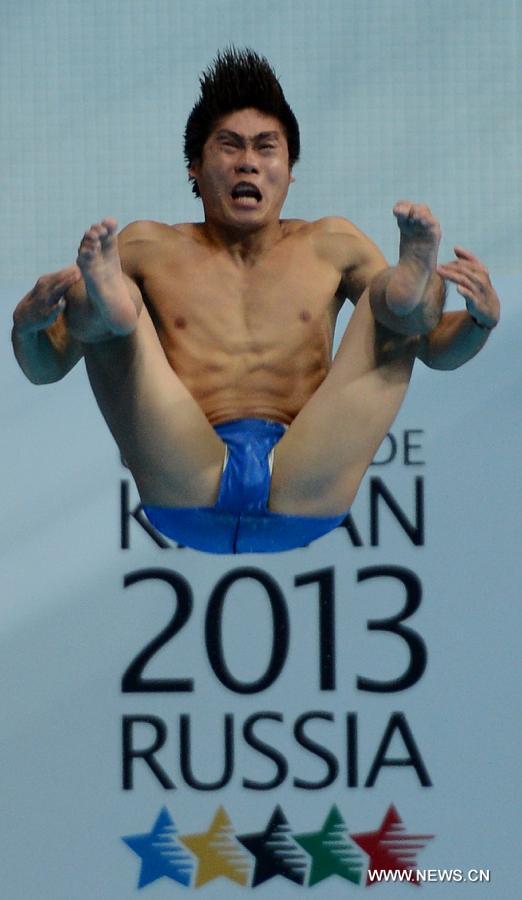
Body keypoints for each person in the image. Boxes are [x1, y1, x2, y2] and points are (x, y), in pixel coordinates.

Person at [11, 49, 500, 553]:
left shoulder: (332, 244)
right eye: (229, 146)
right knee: (113, 301)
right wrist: (27, 326)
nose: (248, 161)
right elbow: (45, 367)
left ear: (290, 171)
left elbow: (435, 350)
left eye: (267, 148)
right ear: (195, 168)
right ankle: (116, 310)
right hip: (183, 468)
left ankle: (413, 278)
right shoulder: (147, 248)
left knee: (395, 306)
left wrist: (479, 323)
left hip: (307, 471)